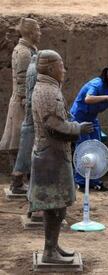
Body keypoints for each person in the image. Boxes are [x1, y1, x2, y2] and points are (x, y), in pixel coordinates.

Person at [30, 49, 94, 263]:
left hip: (53, 154)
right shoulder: (48, 91)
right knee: (54, 206)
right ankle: (49, 252)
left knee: (58, 206)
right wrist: (78, 128)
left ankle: (53, 247)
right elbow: (53, 125)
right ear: (50, 68)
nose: (64, 70)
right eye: (61, 66)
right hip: (51, 157)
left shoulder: (49, 87)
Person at [70, 66, 108, 191]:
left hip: (92, 118)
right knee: (84, 149)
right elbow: (88, 99)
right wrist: (107, 97)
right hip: (79, 118)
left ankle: (95, 180)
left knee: (97, 148)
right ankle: (81, 181)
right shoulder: (96, 84)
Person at [1, 18, 40, 194]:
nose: (40, 33)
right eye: (38, 30)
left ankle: (20, 180)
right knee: (19, 142)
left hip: (24, 101)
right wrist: (27, 101)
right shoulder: (24, 52)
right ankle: (17, 182)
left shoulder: (29, 49)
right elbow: (23, 79)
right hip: (22, 103)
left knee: (23, 142)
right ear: (31, 32)